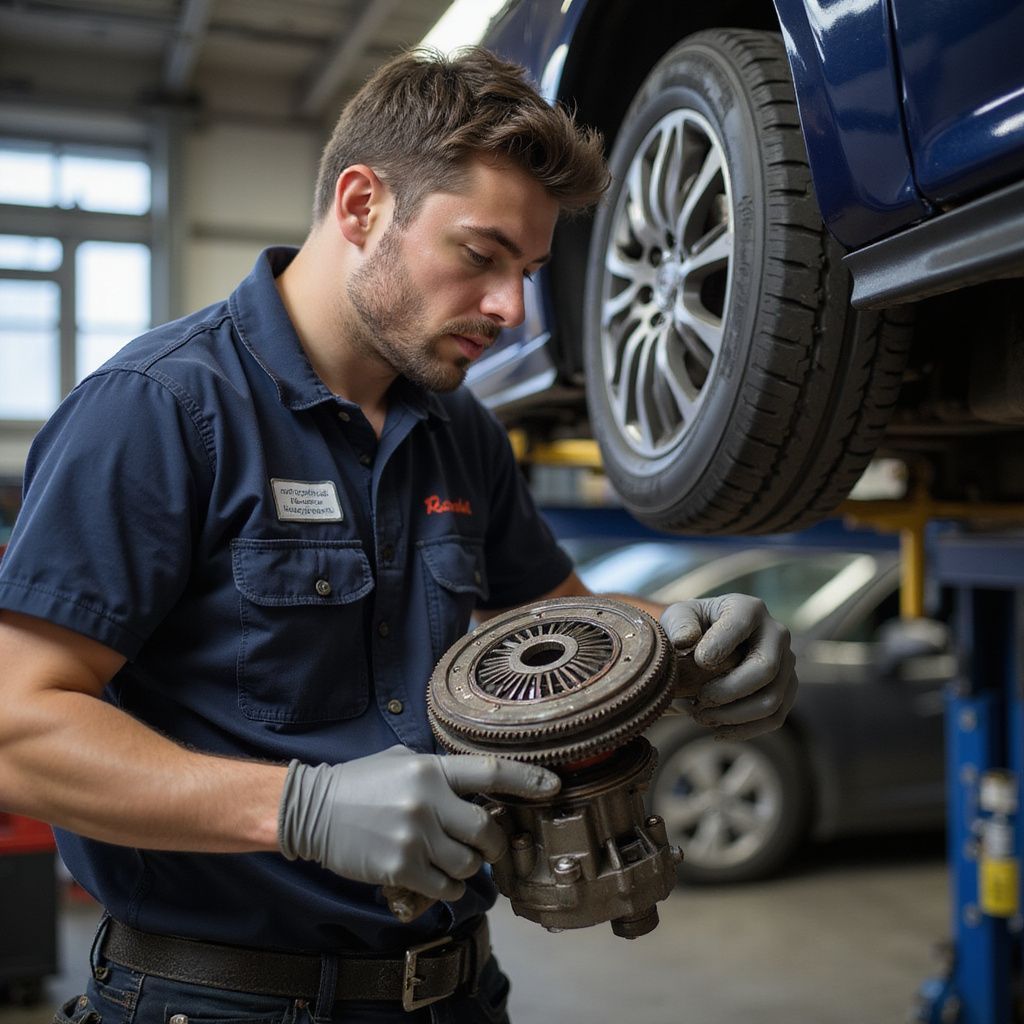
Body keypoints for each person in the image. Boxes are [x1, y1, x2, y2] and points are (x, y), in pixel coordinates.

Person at [0, 47, 796, 1024]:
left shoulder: (458, 428)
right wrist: (299, 809)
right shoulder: (158, 410)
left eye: (529, 270)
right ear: (361, 204)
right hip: (216, 1001)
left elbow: (563, 629)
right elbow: (19, 728)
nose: (509, 309)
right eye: (480, 254)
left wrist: (684, 639)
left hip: (457, 990)